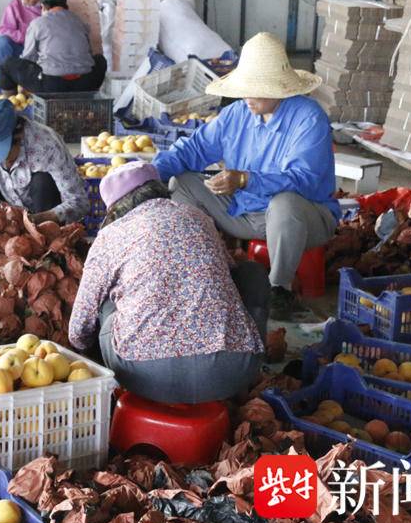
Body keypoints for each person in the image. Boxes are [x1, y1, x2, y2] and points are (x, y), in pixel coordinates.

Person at [152, 32, 340, 320]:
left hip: (303, 219)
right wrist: (148, 174)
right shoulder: (236, 114)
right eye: (245, 88)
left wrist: (245, 179)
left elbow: (304, 180)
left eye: (256, 89)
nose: (247, 97)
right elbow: (191, 150)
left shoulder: (309, 118)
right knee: (183, 182)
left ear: (279, 88)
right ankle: (199, 268)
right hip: (244, 212)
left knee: (285, 202)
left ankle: (280, 289)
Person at [68, 161, 268, 404]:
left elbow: (78, 331)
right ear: (158, 188)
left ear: (114, 209)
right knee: (251, 273)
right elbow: (230, 270)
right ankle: (242, 371)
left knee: (105, 303)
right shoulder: (198, 217)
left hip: (144, 377)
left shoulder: (109, 236)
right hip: (232, 372)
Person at [0, 98, 89, 227]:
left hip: (39, 212)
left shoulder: (46, 145)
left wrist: (39, 219)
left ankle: (45, 247)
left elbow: (78, 201)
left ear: (18, 135)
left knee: (43, 181)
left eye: (0, 152)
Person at [0, 0, 107, 95]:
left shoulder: (37, 23)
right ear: (65, 7)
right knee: (100, 60)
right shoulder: (79, 22)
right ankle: (87, 99)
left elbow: (28, 58)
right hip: (85, 84)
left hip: (52, 86)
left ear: (43, 7)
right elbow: (89, 54)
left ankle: (12, 105)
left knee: (6, 65)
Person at [0, 0, 42, 65]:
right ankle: (7, 75)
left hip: (40, 49)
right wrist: (24, 37)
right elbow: (4, 29)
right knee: (1, 42)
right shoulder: (14, 6)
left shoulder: (46, 4)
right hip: (22, 48)